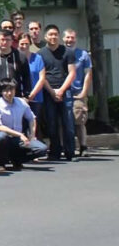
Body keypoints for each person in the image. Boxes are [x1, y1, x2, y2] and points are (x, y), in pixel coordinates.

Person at [39, 24, 77, 160]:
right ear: (45, 37)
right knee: (52, 123)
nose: (53, 37)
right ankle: (55, 152)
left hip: (64, 91)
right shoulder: (41, 54)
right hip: (48, 92)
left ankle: (70, 152)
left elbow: (72, 73)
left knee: (68, 123)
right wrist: (52, 91)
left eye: (55, 34)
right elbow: (41, 76)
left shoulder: (68, 52)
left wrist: (61, 90)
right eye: (50, 34)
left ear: (59, 36)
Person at [0, 79, 48, 169]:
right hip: (3, 139)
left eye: (11, 90)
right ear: (1, 91)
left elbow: (32, 118)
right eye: (6, 90)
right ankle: (1, 162)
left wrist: (32, 135)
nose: (9, 93)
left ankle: (17, 159)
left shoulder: (21, 102)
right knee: (2, 136)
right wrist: (20, 134)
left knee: (42, 149)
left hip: (17, 140)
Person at [63, 28, 93, 157]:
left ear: (75, 39)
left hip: (77, 92)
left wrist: (84, 92)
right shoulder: (60, 53)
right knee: (62, 121)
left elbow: (88, 74)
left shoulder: (83, 54)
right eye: (67, 37)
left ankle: (83, 147)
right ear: (63, 39)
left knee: (79, 121)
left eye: (72, 37)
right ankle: (65, 147)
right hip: (62, 92)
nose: (70, 40)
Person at [0, 29, 30, 100]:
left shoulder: (20, 57)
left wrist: (26, 96)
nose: (4, 42)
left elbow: (26, 78)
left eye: (7, 40)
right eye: (2, 39)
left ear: (12, 41)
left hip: (16, 98)